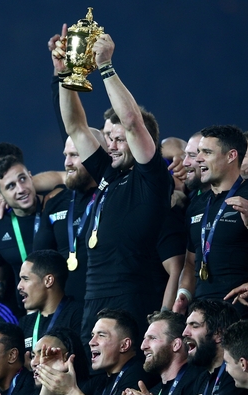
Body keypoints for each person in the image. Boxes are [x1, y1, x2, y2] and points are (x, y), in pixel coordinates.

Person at [53, 31, 173, 345]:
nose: (113, 145)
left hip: (131, 299)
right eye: (109, 138)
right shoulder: (108, 173)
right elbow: (75, 126)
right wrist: (70, 71)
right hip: (93, 300)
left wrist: (105, 66)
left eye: (120, 138)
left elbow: (132, 120)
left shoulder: (151, 178)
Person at [177, 125, 248, 318]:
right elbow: (191, 263)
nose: (199, 158)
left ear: (231, 156)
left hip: (241, 310)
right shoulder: (196, 204)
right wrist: (183, 294)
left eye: (207, 152)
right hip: (201, 311)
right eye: (199, 152)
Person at [123, 301, 247, 395]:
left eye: (194, 325)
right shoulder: (203, 379)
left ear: (218, 334)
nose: (185, 333)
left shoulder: (235, 373)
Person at [36, 309, 157, 395]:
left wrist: (71, 391)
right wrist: (50, 374)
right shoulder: (100, 381)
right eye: (92, 335)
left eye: (101, 335)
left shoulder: (138, 375)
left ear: (124, 345)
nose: (91, 342)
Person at [33, 136, 98, 302]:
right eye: (66, 155)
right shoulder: (55, 203)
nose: (67, 162)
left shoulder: (112, 195)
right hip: (65, 308)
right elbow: (39, 262)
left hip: (105, 302)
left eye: (74, 155)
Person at [0, 155, 45, 315]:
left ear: (31, 177)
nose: (21, 189)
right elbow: (1, 275)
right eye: (11, 186)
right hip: (27, 311)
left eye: (23, 179)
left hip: (64, 304)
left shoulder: (53, 206)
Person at [17, 250, 83, 357]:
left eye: (25, 279)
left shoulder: (78, 315)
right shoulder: (25, 323)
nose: (19, 286)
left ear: (48, 281)